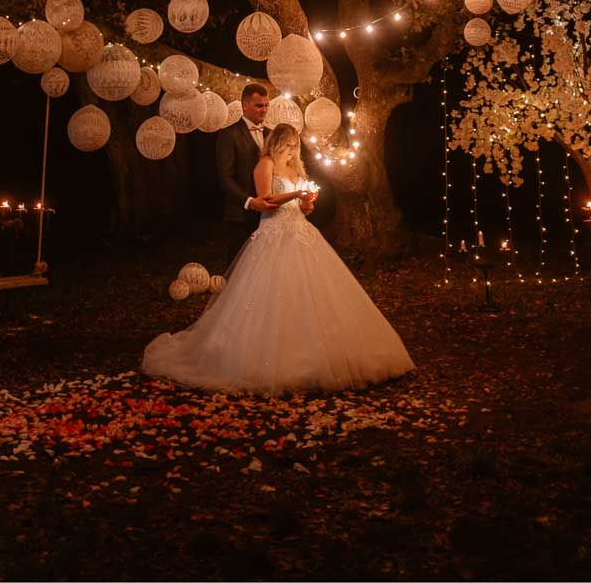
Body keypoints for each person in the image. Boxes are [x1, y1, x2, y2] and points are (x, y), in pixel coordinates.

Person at [142, 123, 414, 395]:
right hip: (273, 230)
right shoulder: (265, 164)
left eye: (296, 145)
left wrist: (308, 201)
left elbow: (304, 210)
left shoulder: (297, 169)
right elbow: (266, 200)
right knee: (268, 294)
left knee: (313, 293)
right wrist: (296, 194)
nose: (294, 150)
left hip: (301, 231)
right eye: (291, 144)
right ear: (279, 142)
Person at [215, 81, 281, 263]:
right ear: (245, 105)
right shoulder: (228, 134)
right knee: (239, 268)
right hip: (241, 215)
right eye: (259, 105)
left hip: (270, 215)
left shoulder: (272, 134)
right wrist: (251, 202)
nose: (264, 110)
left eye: (267, 105)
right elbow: (225, 178)